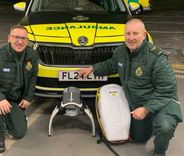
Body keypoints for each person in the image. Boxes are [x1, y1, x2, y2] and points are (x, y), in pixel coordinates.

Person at [78, 18, 183, 156]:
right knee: (139, 138)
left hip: (162, 102)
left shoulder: (157, 58)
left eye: (135, 33)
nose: (131, 38)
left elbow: (167, 90)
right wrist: (92, 68)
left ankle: (160, 151)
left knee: (165, 126)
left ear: (144, 35)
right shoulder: (121, 52)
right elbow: (111, 65)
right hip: (137, 103)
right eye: (128, 34)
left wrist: (146, 109)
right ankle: (149, 126)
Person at [0, 25, 38, 153]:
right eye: (16, 37)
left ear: (27, 41)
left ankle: (9, 115)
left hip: (15, 98)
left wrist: (28, 97)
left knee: (19, 133)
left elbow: (33, 77)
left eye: (23, 38)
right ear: (9, 38)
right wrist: (0, 99)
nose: (20, 41)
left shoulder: (31, 54)